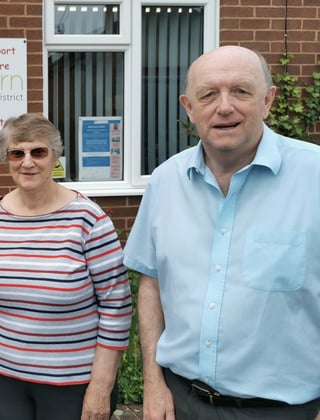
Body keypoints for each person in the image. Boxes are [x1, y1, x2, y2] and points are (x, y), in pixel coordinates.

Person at [123, 45, 320, 420]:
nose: (224, 106)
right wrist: (153, 381)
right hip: (182, 403)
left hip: (287, 411)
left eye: (241, 91)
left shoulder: (315, 177)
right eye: (208, 94)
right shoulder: (166, 181)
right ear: (189, 108)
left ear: (268, 100)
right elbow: (151, 285)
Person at [0, 113, 133, 420]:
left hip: (71, 381)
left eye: (38, 151)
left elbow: (116, 308)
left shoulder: (88, 220)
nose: (27, 162)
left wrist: (101, 387)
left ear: (55, 156)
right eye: (17, 153)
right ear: (6, 158)